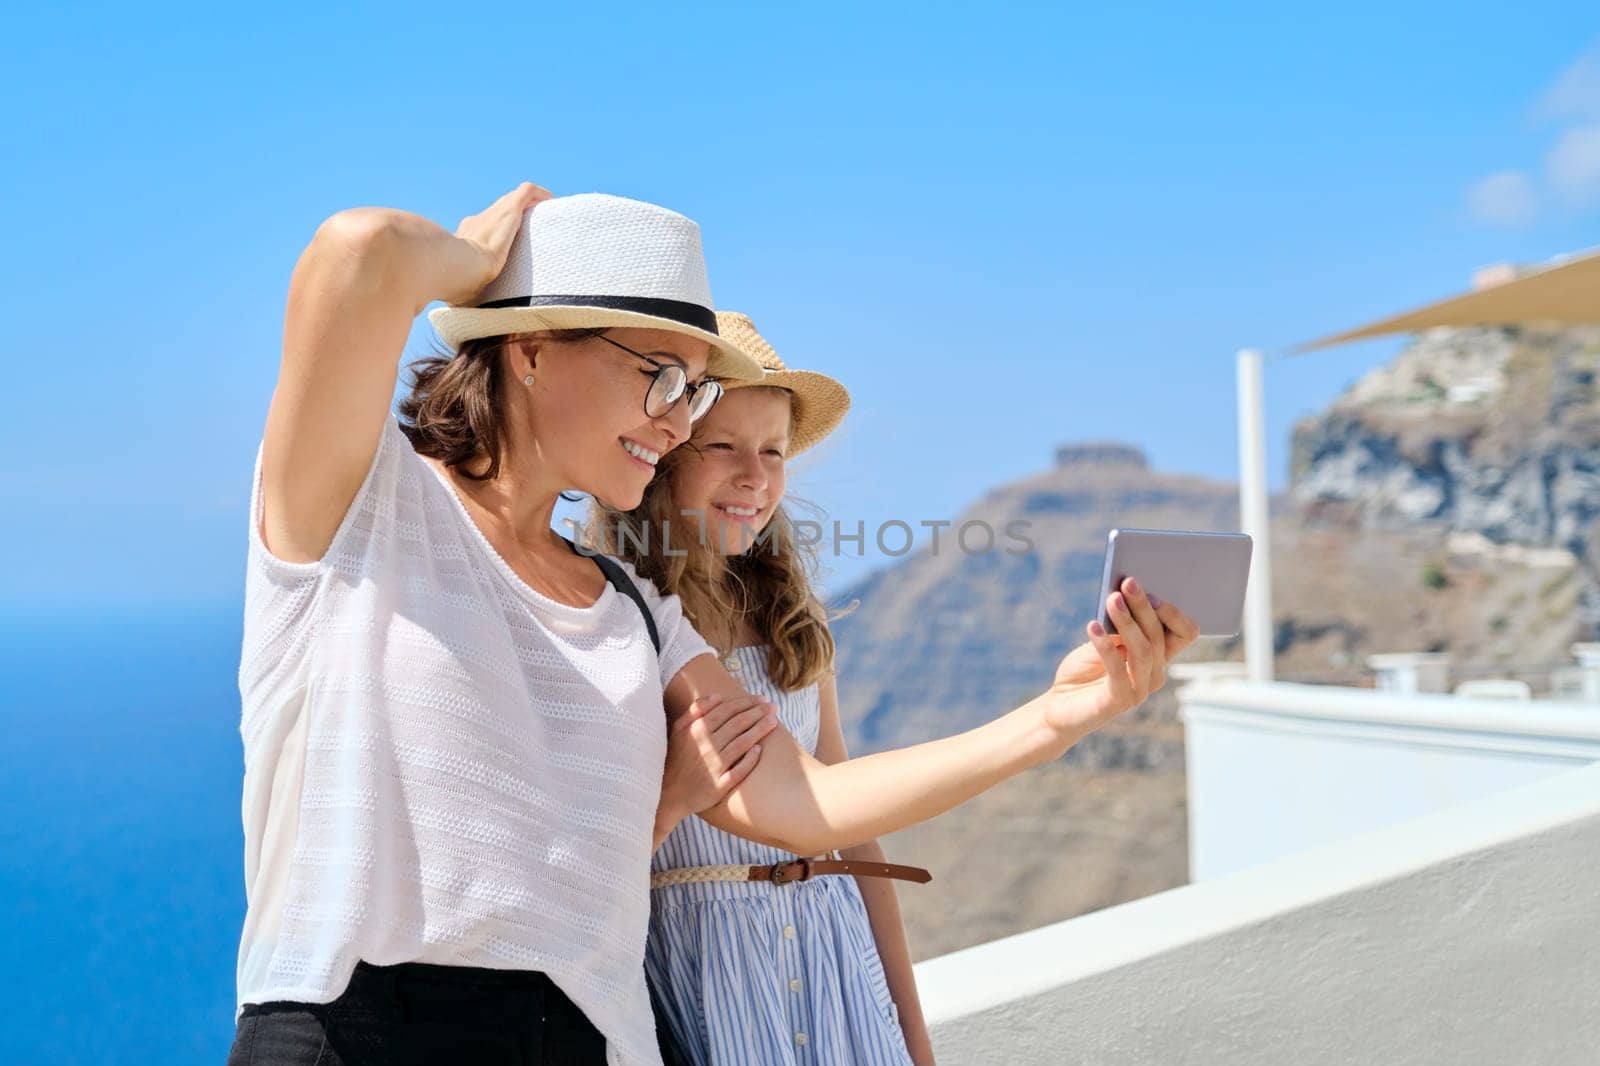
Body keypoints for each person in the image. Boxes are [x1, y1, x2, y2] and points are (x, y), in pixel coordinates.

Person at [232, 183, 1199, 1066]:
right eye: (662, 377)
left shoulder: (634, 612)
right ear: (529, 350)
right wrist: (484, 262)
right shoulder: (366, 518)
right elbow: (355, 255)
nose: (676, 418)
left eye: (693, 389)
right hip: (353, 1035)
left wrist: (1060, 716)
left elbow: (806, 806)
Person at [596, 312, 935, 1064]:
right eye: (723, 447)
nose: (755, 477)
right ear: (665, 455)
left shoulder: (790, 616)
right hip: (705, 964)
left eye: (774, 452)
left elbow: (850, 825)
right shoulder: (616, 615)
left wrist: (911, 1035)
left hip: (832, 956)